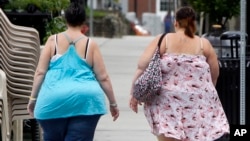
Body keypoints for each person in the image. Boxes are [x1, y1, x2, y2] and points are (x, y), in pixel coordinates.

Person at [129, 6, 230, 141]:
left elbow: (141, 67)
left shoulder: (164, 40)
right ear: (193, 23)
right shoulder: (203, 44)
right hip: (197, 104)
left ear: (175, 22)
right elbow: (214, 74)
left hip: (167, 103)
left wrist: (134, 93)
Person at [27, 1, 119, 141]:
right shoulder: (90, 44)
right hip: (86, 101)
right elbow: (103, 78)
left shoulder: (53, 41)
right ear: (84, 21)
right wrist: (113, 104)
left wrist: (33, 99)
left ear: (66, 19)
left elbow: (40, 72)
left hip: (53, 100)